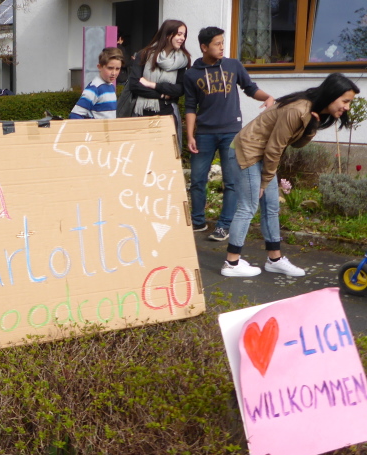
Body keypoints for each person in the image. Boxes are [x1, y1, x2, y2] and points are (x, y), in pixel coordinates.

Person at [221, 73, 360, 278]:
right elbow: (275, 147)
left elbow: (295, 144)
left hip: (261, 154)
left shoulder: (311, 111)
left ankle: (274, 260)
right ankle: (231, 263)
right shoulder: (297, 109)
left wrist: (312, 129)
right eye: (345, 101)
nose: (347, 107)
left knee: (271, 207)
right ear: (332, 95)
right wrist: (265, 181)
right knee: (248, 206)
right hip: (247, 151)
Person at [184, 26, 275, 241]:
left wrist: (267, 97)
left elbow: (250, 88)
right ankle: (197, 221)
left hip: (232, 132)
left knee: (231, 182)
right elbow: (190, 106)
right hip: (204, 134)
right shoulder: (191, 74)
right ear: (204, 47)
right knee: (197, 180)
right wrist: (190, 135)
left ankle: (224, 226)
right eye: (217, 44)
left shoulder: (233, 65)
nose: (222, 47)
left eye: (222, 42)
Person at [129, 19, 190, 147]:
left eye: (184, 35)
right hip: (142, 113)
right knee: (142, 152)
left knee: (167, 152)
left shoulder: (182, 59)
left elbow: (179, 90)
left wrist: (153, 85)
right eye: (179, 34)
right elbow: (134, 85)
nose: (182, 38)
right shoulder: (144, 55)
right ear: (167, 34)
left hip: (167, 113)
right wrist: (162, 95)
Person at [69, 47, 125, 119]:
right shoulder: (94, 88)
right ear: (100, 67)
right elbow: (75, 115)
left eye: (117, 69)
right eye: (110, 68)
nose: (114, 73)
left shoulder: (111, 86)